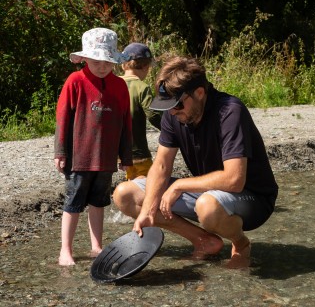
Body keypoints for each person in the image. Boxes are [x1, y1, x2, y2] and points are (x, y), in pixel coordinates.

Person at [113, 56, 278, 269]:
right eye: (167, 106)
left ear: (199, 93)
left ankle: (241, 244)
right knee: (125, 194)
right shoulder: (174, 114)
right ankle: (204, 241)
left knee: (207, 206)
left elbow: (235, 180)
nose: (172, 111)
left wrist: (180, 185)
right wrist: (147, 209)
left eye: (177, 105)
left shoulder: (230, 112)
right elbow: (162, 165)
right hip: (207, 192)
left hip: (253, 198)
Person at [54, 28, 133, 266]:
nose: (102, 67)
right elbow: (62, 118)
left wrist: (126, 155)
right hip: (79, 156)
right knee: (73, 202)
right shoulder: (75, 81)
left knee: (100, 201)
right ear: (85, 58)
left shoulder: (119, 86)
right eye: (97, 61)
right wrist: (60, 152)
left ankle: (96, 245)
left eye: (108, 62)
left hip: (106, 157)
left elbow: (125, 122)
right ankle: (65, 250)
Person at [120, 42, 161, 180]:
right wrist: (169, 128)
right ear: (145, 67)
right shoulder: (142, 87)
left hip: (117, 150)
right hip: (138, 152)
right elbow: (153, 115)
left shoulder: (113, 84)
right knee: (147, 182)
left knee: (131, 179)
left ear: (123, 64)